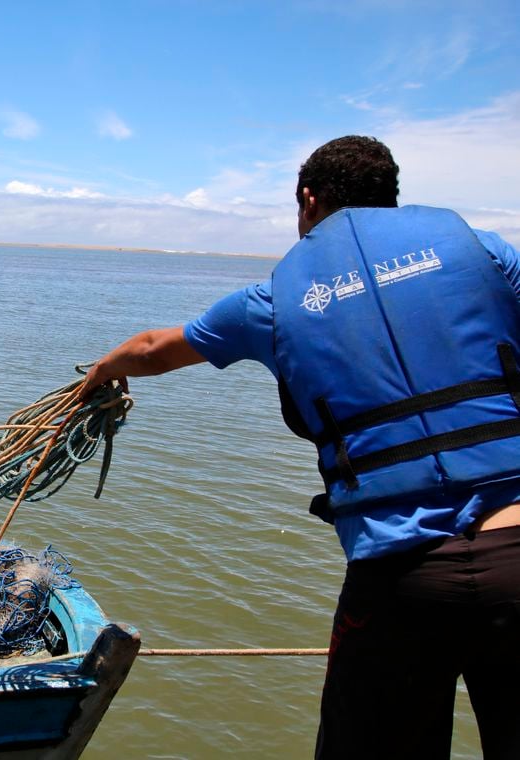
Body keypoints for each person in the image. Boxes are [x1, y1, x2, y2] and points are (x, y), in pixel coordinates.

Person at [81, 135, 520, 759]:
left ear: (308, 200)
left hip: (401, 578)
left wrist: (101, 373)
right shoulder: (484, 252)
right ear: (391, 195)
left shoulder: (275, 302)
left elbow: (155, 348)